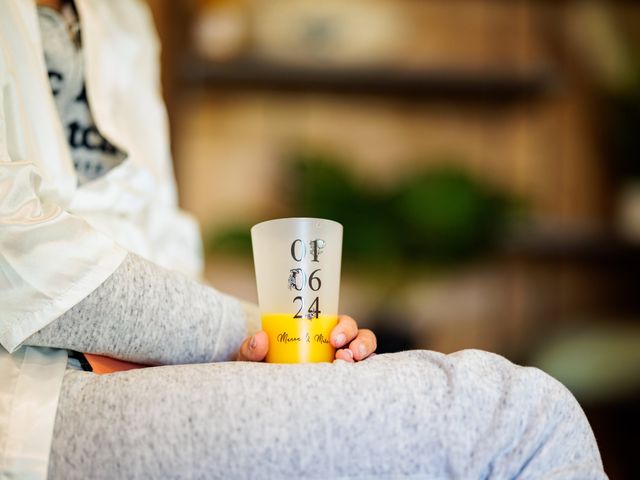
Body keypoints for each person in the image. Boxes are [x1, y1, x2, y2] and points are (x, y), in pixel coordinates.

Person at [0, 1, 607, 479]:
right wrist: (258, 333)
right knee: (523, 420)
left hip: (152, 361)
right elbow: (18, 256)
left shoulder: (121, 14)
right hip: (31, 391)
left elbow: (161, 234)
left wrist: (270, 349)